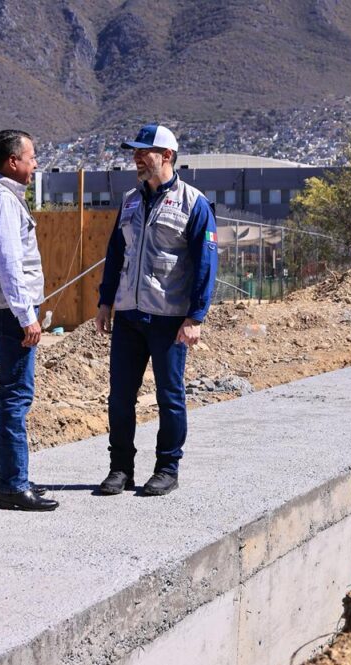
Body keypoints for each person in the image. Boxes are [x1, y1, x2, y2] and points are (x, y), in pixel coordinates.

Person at [94, 124, 218, 496]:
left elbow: (206, 263)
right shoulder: (130, 200)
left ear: (166, 155)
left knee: (169, 396)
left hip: (169, 319)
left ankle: (167, 468)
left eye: (142, 151)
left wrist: (195, 316)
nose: (136, 157)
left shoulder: (193, 203)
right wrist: (105, 301)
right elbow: (116, 254)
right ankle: (120, 469)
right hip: (129, 316)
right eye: (134, 151)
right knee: (120, 396)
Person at [0, 129, 56, 512]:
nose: (35, 164)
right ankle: (14, 486)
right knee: (17, 396)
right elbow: (9, 261)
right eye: (31, 157)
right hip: (10, 310)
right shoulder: (3, 199)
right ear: (12, 161)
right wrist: (26, 315)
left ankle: (3, 475)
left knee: (8, 394)